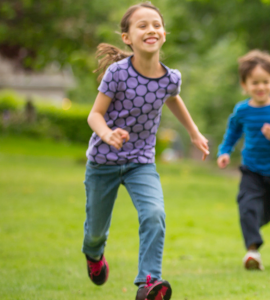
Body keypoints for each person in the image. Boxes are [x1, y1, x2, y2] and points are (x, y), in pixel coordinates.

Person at [82, 2, 209, 300]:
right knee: (96, 232)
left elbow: (173, 98)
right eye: (142, 25)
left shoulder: (170, 77)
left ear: (163, 33)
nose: (151, 29)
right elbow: (94, 115)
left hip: (141, 162)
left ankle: (149, 281)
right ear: (127, 37)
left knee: (154, 214)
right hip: (103, 161)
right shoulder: (118, 73)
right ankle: (94, 254)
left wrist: (194, 133)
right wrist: (107, 134)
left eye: (156, 24)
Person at [216, 49, 270, 271]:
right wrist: (224, 151)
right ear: (244, 85)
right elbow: (232, 133)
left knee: (267, 212)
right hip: (251, 168)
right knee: (247, 205)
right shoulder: (242, 110)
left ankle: (253, 227)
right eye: (254, 83)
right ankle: (252, 252)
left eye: (265, 82)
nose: (260, 87)